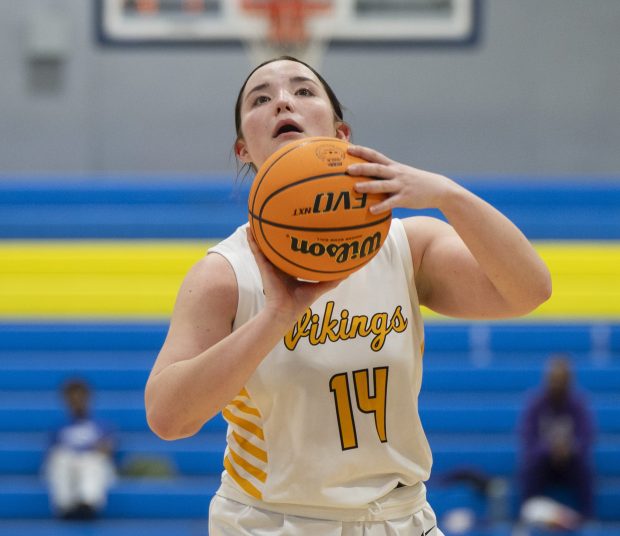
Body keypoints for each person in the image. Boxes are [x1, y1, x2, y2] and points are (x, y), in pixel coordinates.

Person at [145, 56, 552, 535]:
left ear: (341, 135)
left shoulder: (407, 245)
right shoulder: (224, 273)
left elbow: (529, 290)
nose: (282, 101)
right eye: (261, 98)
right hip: (274, 522)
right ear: (243, 149)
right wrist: (278, 314)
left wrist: (449, 195)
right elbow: (168, 418)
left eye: (303, 91)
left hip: (401, 519)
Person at [518, 355, 596, 520]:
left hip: (570, 461)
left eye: (562, 380)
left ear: (569, 381)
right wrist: (549, 449)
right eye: (554, 380)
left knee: (584, 470)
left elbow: (587, 436)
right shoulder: (536, 404)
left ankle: (588, 519)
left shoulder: (578, 404)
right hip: (543, 461)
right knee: (530, 468)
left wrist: (570, 449)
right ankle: (528, 514)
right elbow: (527, 437)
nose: (557, 385)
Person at [44, 378, 116, 520]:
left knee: (93, 461)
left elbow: (108, 449)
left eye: (80, 397)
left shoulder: (101, 426)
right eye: (72, 399)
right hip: (68, 465)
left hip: (92, 465)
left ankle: (88, 503)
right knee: (60, 459)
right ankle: (65, 505)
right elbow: (51, 454)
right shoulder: (59, 428)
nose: (77, 402)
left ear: (88, 398)